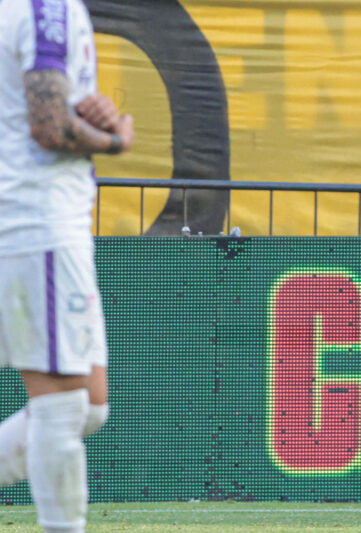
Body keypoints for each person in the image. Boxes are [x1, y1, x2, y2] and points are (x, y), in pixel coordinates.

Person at [0, 0, 135, 530]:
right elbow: (50, 127)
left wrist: (83, 110)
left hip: (46, 222)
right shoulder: (44, 9)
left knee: (88, 403)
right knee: (62, 404)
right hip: (37, 221)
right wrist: (116, 138)